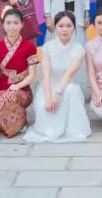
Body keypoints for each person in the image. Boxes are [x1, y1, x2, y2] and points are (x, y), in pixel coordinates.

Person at [25, 11, 91, 143]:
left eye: (69, 26)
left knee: (71, 90)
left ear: (74, 28)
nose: (65, 30)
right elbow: (46, 74)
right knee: (47, 117)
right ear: (55, 27)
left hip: (67, 87)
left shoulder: (79, 49)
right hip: (48, 87)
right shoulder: (47, 47)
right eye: (61, 26)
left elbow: (69, 75)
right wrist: (48, 97)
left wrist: (58, 94)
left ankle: (73, 129)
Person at [0, 6, 39, 137]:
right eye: (8, 23)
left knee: (10, 97)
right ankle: (17, 121)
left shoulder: (29, 46)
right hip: (0, 92)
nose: (12, 27)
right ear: (3, 25)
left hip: (21, 92)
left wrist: (17, 86)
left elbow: (32, 74)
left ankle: (15, 120)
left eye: (16, 23)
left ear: (22, 25)